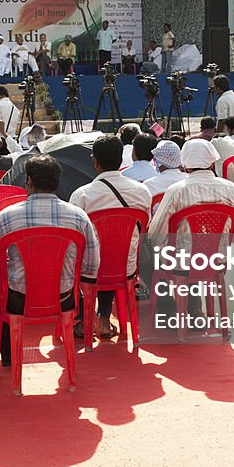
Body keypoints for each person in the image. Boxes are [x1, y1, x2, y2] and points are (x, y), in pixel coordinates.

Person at [0, 155, 99, 367]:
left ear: (28, 181)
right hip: (64, 296)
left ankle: (8, 359)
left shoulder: (6, 216)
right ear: (57, 182)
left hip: (19, 298)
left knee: (7, 295)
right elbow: (91, 266)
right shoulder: (78, 216)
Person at [69, 135, 151, 340]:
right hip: (127, 266)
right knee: (109, 254)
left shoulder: (82, 195)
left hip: (91, 268)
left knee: (85, 255)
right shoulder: (142, 191)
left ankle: (83, 319)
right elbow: (145, 226)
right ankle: (104, 320)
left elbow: (74, 236)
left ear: (95, 161)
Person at [148, 138, 234, 242]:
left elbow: (156, 231)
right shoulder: (230, 188)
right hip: (220, 254)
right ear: (212, 163)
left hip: (183, 256)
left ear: (185, 165)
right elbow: (232, 223)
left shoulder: (176, 190)